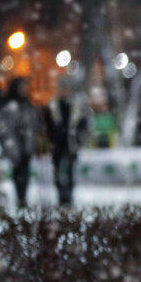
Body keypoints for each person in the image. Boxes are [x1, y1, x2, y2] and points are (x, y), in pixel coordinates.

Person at [45, 78, 90, 206]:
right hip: (58, 144)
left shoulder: (76, 106)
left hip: (71, 144)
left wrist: (78, 139)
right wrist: (53, 137)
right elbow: (48, 125)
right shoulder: (54, 106)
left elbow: (83, 125)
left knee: (70, 171)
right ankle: (61, 196)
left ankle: (69, 196)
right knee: (58, 171)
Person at [0, 77, 39, 209]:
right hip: (16, 147)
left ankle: (23, 199)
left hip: (26, 146)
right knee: (18, 174)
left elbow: (33, 125)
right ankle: (20, 199)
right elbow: (4, 128)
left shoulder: (27, 105)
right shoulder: (9, 107)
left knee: (25, 174)